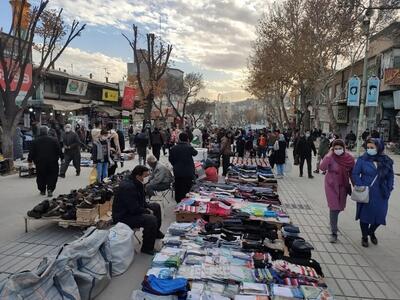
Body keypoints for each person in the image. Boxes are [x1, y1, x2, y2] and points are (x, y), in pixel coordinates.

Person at [352, 138, 394, 248]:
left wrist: (389, 188)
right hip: (366, 192)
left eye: (372, 147)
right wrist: (361, 185)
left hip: (381, 193)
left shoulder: (386, 160)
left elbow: (390, 176)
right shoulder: (362, 159)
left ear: (379, 147)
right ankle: (364, 236)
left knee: (380, 215)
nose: (369, 149)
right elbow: (355, 174)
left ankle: (371, 231)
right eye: (368, 147)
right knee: (365, 216)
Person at [112, 165, 164, 255]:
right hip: (123, 216)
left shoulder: (136, 182)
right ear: (138, 176)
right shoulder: (128, 187)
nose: (146, 178)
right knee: (150, 219)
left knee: (156, 206)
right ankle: (147, 248)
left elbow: (141, 201)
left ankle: (156, 232)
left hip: (132, 210)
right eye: (144, 176)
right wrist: (147, 211)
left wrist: (147, 207)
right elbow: (133, 209)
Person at [319, 139, 355, 243]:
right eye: (335, 148)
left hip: (343, 185)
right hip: (331, 185)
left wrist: (355, 185)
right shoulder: (330, 157)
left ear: (344, 148)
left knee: (340, 207)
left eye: (340, 148)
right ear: (332, 149)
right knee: (334, 207)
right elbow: (322, 167)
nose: (338, 150)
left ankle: (332, 222)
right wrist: (329, 154)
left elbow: (353, 173)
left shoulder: (349, 159)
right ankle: (334, 233)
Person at [28, 126, 62, 197]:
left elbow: (31, 152)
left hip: (40, 162)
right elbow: (59, 150)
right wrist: (62, 157)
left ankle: (42, 190)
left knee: (41, 176)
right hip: (52, 162)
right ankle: (50, 189)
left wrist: (30, 160)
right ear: (47, 132)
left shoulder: (35, 141)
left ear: (39, 132)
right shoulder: (54, 140)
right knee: (52, 176)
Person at [169, 132, 198, 202]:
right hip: (188, 172)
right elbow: (195, 153)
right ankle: (186, 202)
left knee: (178, 187)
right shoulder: (189, 147)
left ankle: (178, 201)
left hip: (178, 172)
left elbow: (170, 159)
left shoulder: (174, 148)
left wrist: (175, 165)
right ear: (187, 139)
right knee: (187, 187)